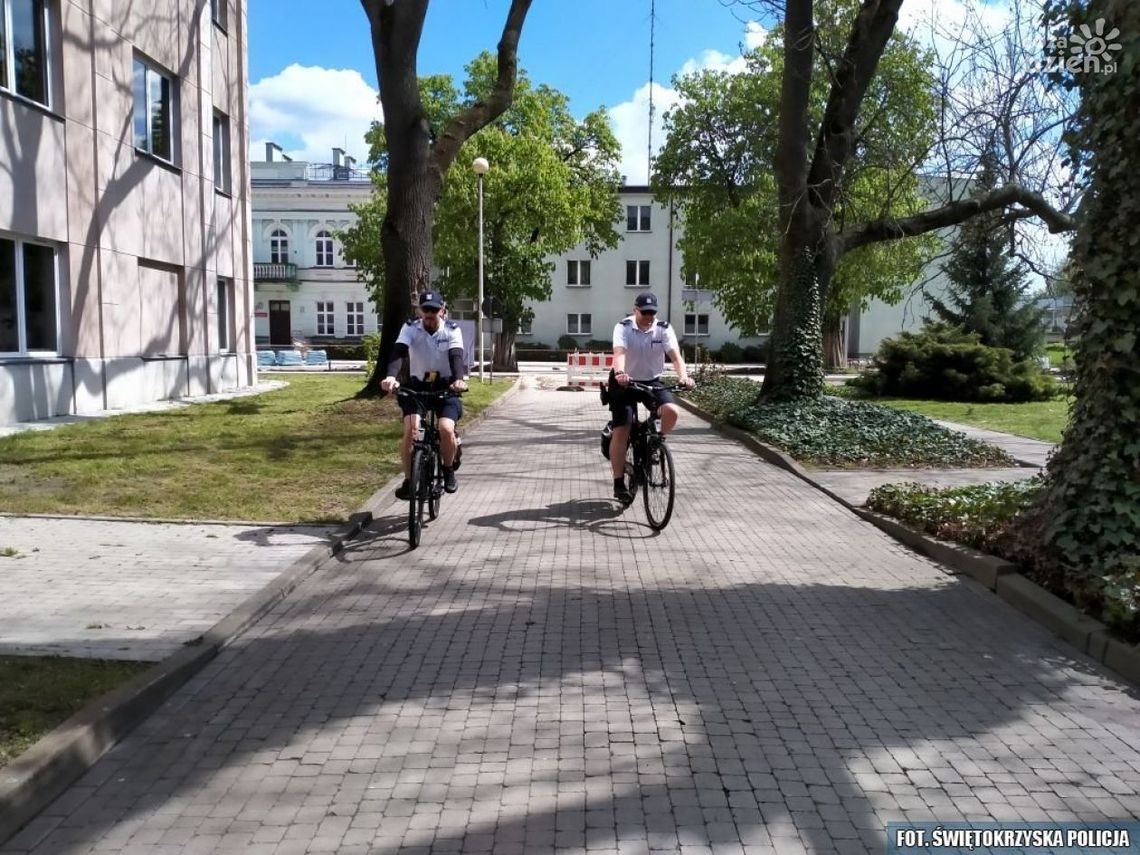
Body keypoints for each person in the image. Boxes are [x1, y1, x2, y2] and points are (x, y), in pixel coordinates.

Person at [607, 291, 695, 504]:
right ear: (635, 310)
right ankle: (619, 483)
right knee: (623, 428)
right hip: (624, 381)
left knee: (671, 411)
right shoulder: (624, 327)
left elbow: (675, 356)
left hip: (651, 380)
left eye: (652, 313)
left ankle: (656, 442)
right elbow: (619, 353)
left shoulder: (663, 328)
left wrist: (684, 377)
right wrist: (620, 374)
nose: (649, 317)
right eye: (644, 312)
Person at [380, 291, 469, 498]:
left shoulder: (451, 330)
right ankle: (409, 481)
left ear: (442, 310)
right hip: (417, 388)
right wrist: (391, 377)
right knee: (410, 431)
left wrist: (459, 379)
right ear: (420, 310)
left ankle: (448, 470)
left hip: (446, 388)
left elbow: (456, 356)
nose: (429, 314)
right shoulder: (411, 328)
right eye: (425, 309)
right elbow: (399, 351)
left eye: (434, 310)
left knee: (445, 428)